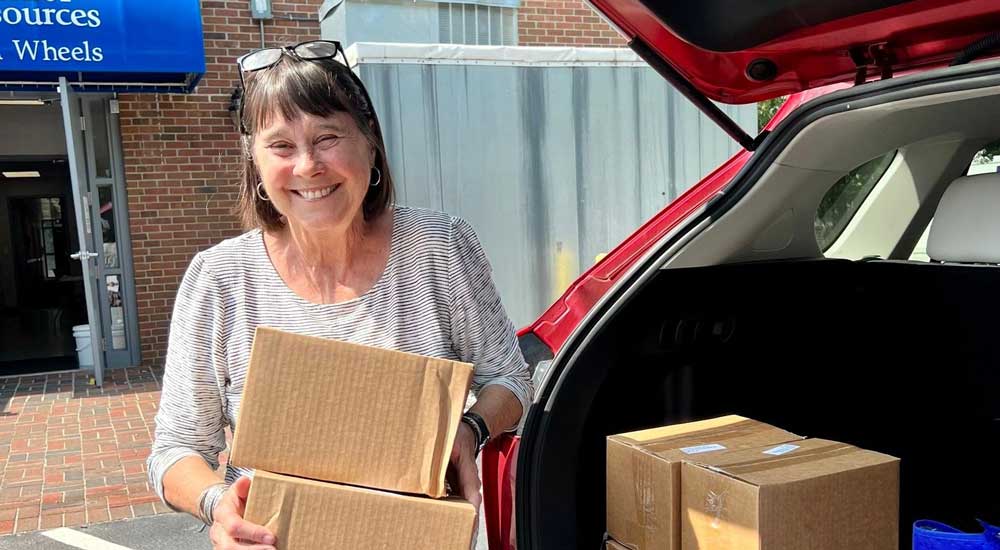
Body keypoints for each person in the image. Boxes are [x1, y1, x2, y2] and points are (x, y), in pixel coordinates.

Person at [147, 40, 533, 550]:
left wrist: (471, 429)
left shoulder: (439, 248)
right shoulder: (221, 279)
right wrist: (219, 504)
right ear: (256, 165)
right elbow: (175, 450)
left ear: (370, 142)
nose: (307, 166)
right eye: (281, 146)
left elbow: (511, 378)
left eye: (327, 137)